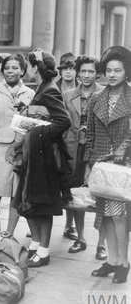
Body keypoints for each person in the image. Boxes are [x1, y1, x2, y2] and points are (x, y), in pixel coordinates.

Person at [13, 49, 71, 268]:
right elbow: (44, 115)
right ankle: (36, 245)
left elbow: (63, 121)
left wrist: (39, 130)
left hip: (44, 155)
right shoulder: (42, 88)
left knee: (42, 202)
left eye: (29, 65)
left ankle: (44, 252)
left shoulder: (49, 90)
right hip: (35, 152)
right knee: (31, 200)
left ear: (36, 68)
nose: (27, 69)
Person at [86, 46, 131, 284]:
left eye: (118, 70)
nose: (112, 74)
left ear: (127, 72)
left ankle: (123, 262)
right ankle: (112, 260)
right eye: (108, 70)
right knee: (105, 216)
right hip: (100, 167)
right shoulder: (96, 99)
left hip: (124, 166)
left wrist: (120, 154)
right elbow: (90, 135)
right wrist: (87, 165)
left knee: (120, 216)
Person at [0, 54, 35, 236]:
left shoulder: (30, 93)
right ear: (2, 70)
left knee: (16, 195)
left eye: (15, 68)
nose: (10, 71)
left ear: (23, 71)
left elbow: (31, 122)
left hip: (21, 149)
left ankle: (9, 234)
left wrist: (23, 143)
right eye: (7, 68)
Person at [63, 55, 105, 255]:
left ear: (98, 74)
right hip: (74, 152)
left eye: (91, 71)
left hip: (99, 151)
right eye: (83, 71)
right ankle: (80, 238)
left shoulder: (105, 94)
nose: (87, 75)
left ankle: (102, 244)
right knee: (75, 195)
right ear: (77, 73)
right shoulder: (68, 94)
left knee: (103, 197)